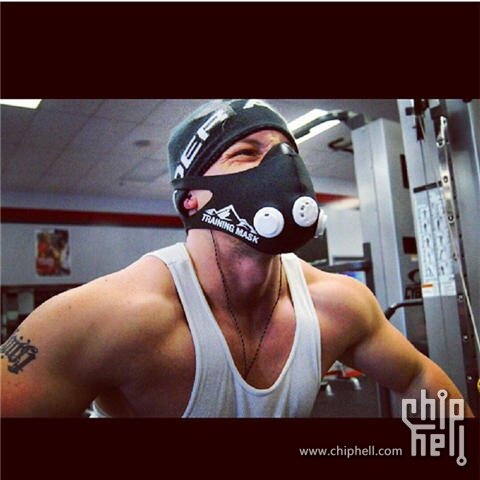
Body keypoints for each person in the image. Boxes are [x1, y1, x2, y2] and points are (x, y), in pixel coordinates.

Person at [0, 99, 474, 418]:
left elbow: (415, 376)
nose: (284, 169)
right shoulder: (106, 315)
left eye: (289, 153)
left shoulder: (338, 303)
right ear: (191, 199)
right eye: (247, 153)